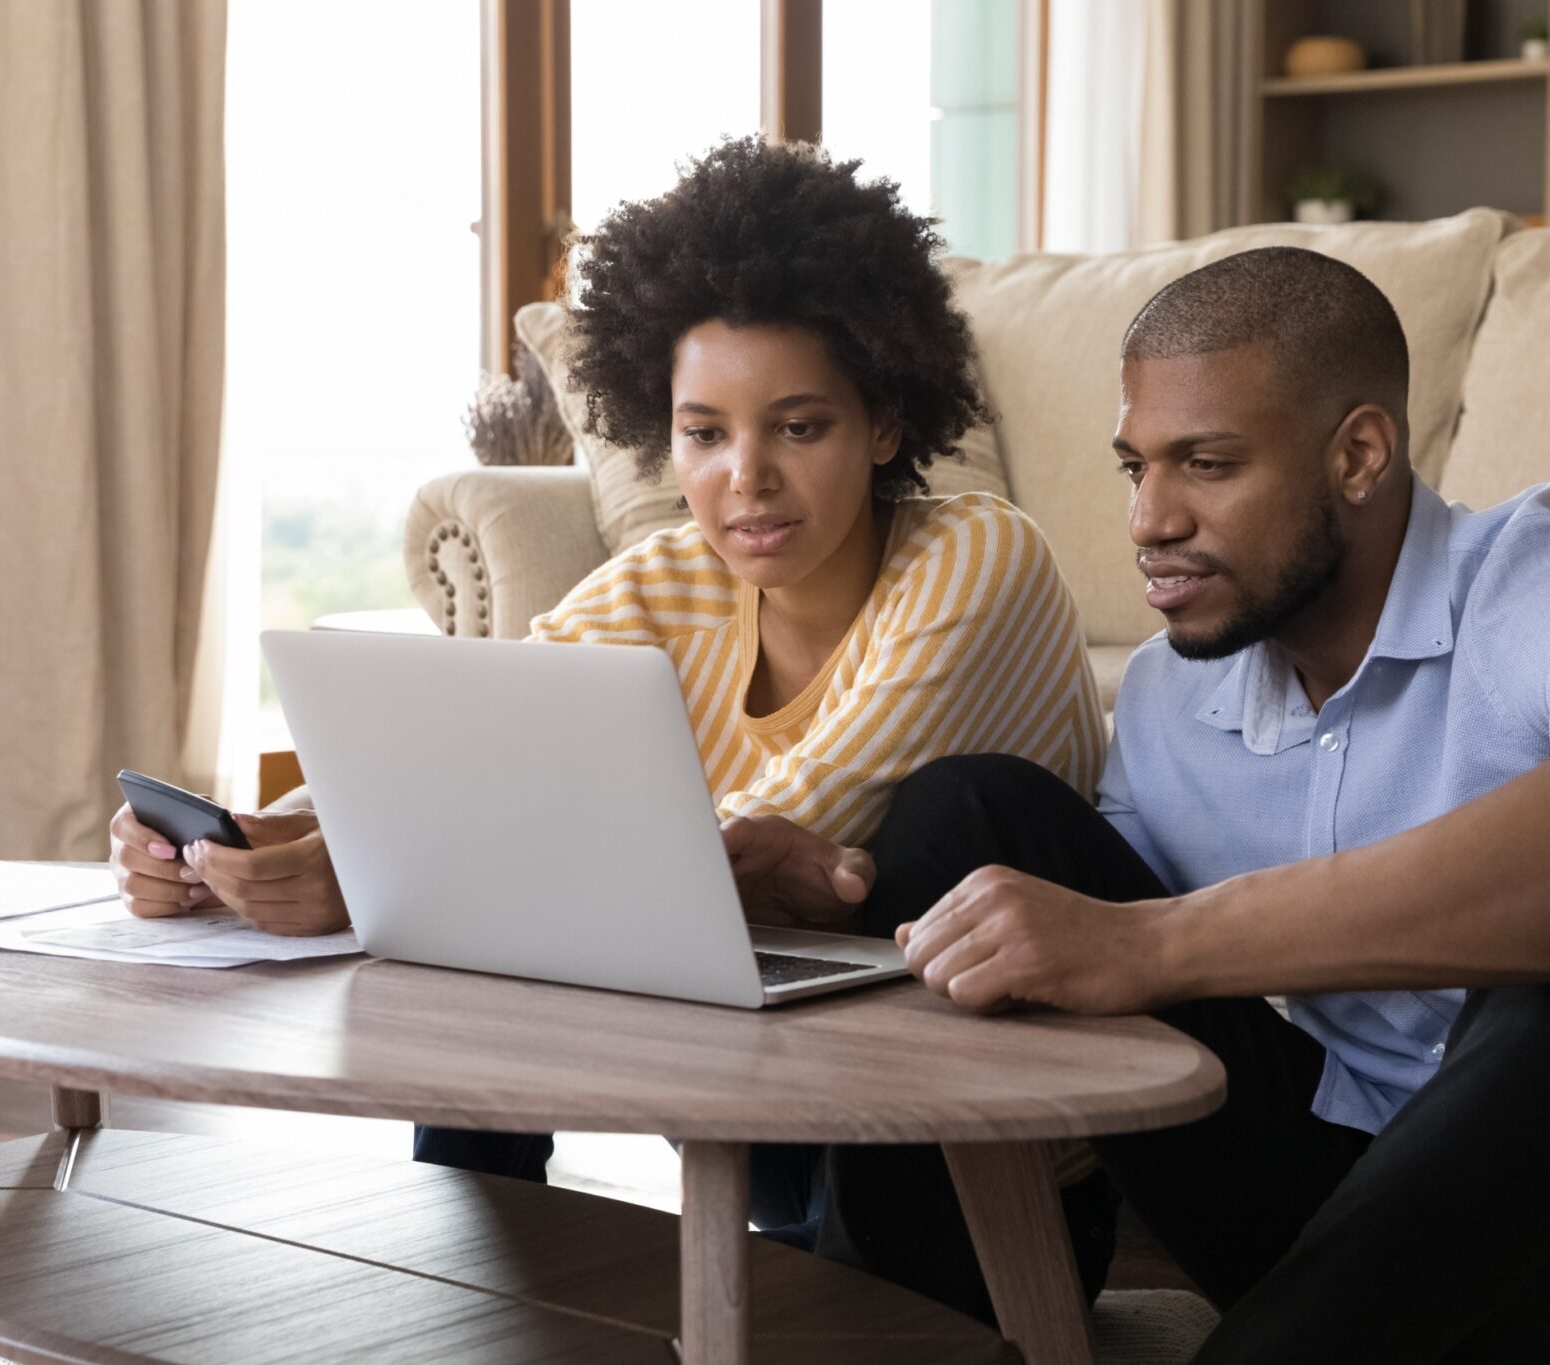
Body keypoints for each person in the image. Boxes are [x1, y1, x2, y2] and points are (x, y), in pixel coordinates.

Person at [779, 247, 1550, 1360]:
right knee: (967, 818)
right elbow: (1067, 943)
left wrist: (1155, 943)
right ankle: (909, 1338)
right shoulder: (1172, 687)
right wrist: (826, 891)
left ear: (1356, 453)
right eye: (1134, 468)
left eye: (1204, 464)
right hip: (1351, 1233)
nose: (1149, 519)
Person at [102, 135, 1112, 1275]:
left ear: (883, 424)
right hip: (774, 1090)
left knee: (518, 882)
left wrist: (386, 864)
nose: (747, 478)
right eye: (704, 433)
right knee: (485, 908)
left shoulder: (977, 558)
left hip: (989, 1176)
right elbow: (465, 758)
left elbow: (756, 831)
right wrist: (237, 851)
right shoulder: (666, 580)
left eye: (799, 425)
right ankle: (469, 1278)